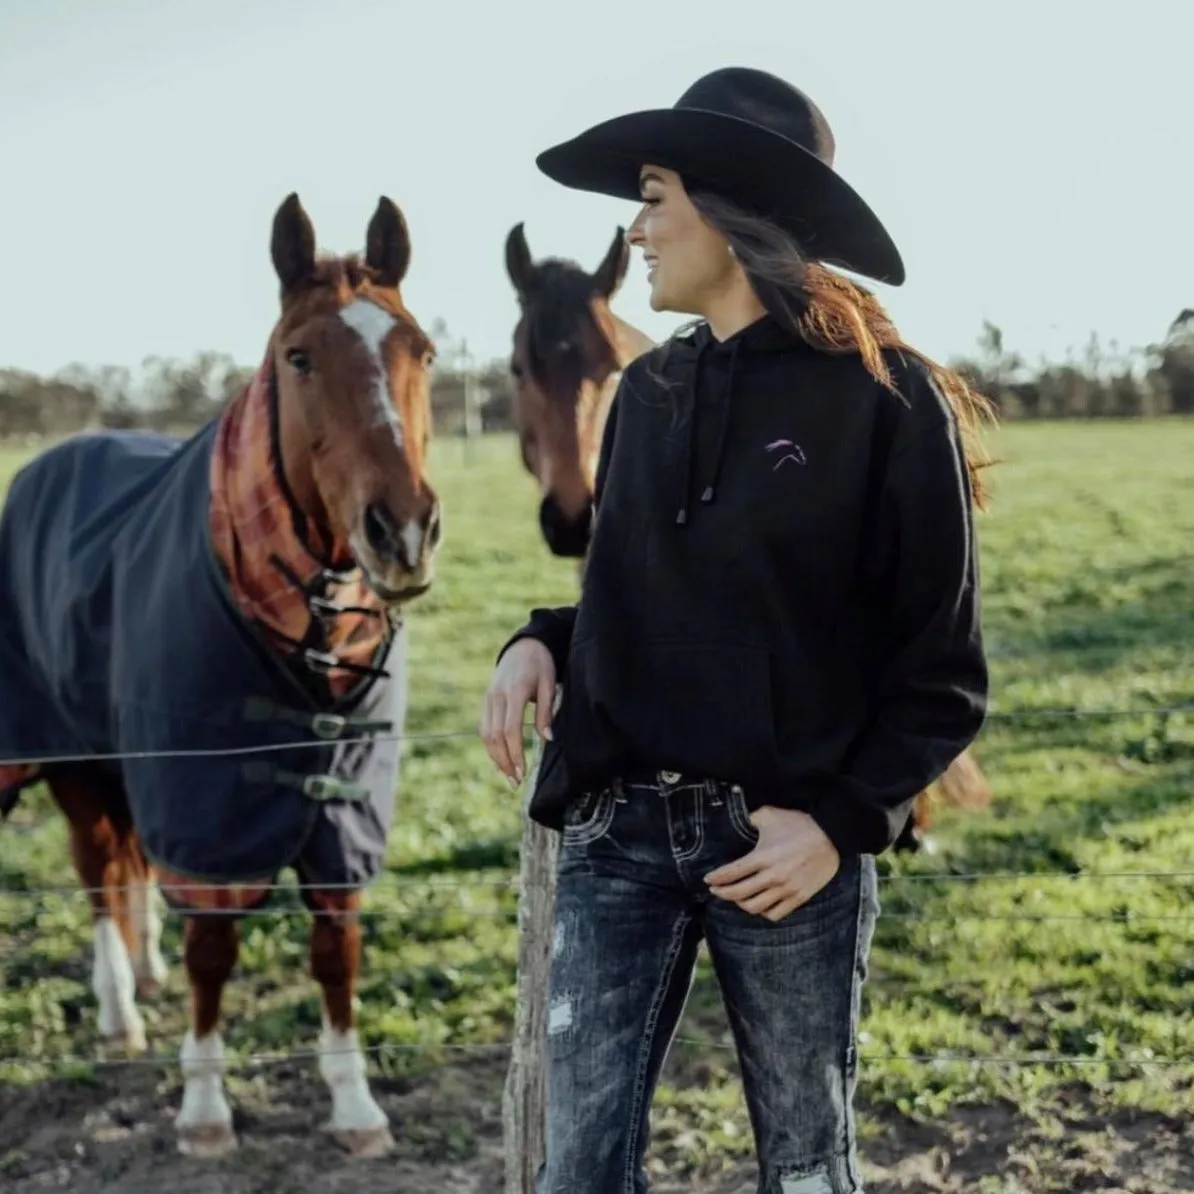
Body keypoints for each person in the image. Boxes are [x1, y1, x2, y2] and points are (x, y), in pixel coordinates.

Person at [480, 66, 994, 1193]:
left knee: (807, 1174)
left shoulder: (885, 401)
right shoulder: (649, 395)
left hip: (785, 853)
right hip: (618, 840)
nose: (637, 229)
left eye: (656, 196)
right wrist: (542, 640)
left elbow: (943, 675)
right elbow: (646, 599)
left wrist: (842, 824)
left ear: (729, 206)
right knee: (578, 1177)